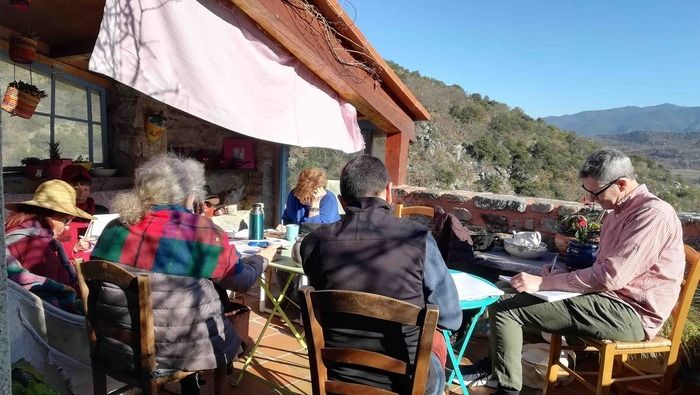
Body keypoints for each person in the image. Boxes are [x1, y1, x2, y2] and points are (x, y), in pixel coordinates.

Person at [467, 148, 685, 395]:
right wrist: (555, 275)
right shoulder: (616, 213)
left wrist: (543, 284)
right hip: (606, 299)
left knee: (506, 311)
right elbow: (603, 269)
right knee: (503, 291)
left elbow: (610, 277)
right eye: (588, 192)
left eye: (596, 192)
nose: (592, 200)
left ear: (622, 184)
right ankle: (495, 369)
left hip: (631, 314)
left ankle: (506, 389)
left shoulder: (653, 215)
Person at [90, 153, 276, 393]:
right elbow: (242, 281)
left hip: (115, 348)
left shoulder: (114, 228)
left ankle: (190, 385)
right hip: (180, 352)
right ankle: (194, 381)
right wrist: (263, 258)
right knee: (210, 297)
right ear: (191, 193)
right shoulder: (202, 232)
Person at [300, 155, 462, 395]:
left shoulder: (314, 243)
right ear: (389, 191)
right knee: (437, 340)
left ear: (343, 201)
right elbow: (451, 318)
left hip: (339, 374)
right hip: (406, 382)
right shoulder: (418, 239)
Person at [5, 179, 95, 313]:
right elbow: (50, 299)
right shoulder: (36, 246)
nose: (67, 226)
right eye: (66, 219)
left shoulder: (16, 230)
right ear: (49, 215)